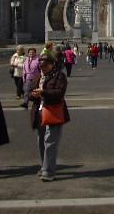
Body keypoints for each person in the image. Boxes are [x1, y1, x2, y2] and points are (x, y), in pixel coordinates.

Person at [30, 53, 70, 182]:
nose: (42, 68)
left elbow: (59, 93)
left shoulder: (59, 76)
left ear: (52, 64)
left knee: (50, 142)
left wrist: (43, 92)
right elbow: (30, 93)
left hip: (53, 111)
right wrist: (33, 95)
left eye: (45, 66)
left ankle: (48, 171)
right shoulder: (38, 76)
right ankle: (44, 166)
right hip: (39, 112)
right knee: (41, 142)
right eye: (40, 66)